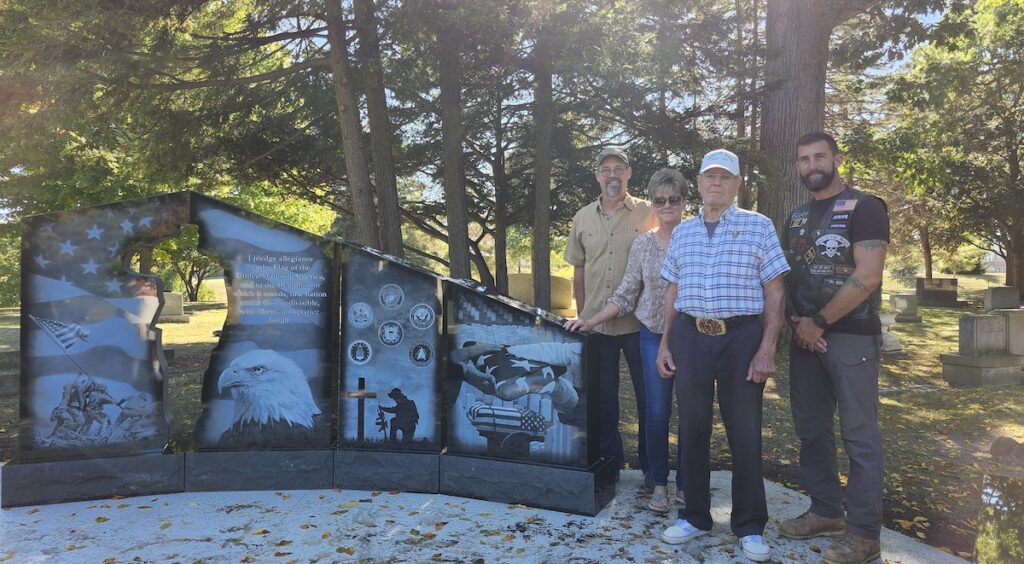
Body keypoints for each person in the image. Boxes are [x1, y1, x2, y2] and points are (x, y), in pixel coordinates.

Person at [655, 149, 788, 563]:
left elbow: (775, 291)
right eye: (709, 176)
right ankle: (693, 515)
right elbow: (673, 291)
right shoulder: (684, 232)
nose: (716, 183)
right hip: (690, 337)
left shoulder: (758, 226)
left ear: (736, 185)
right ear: (697, 183)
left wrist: (767, 348)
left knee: (744, 431)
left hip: (741, 339)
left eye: (725, 177)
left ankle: (749, 525)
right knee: (692, 426)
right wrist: (664, 342)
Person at [779, 131, 889, 564]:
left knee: (860, 436)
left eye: (819, 156)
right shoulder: (798, 216)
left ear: (837, 159)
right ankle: (826, 511)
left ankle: (864, 536)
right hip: (805, 337)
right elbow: (788, 275)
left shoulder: (865, 207)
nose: (812, 165)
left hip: (850, 337)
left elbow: (869, 275)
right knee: (812, 431)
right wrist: (797, 323)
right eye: (803, 159)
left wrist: (820, 322)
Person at [564, 168, 688, 513]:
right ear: (653, 203)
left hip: (691, 337)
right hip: (650, 332)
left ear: (683, 201)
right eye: (660, 200)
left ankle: (688, 483)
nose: (666, 205)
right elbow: (626, 291)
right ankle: (658, 482)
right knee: (655, 412)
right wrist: (588, 319)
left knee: (693, 415)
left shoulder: (696, 236)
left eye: (673, 199)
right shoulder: (644, 243)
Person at [564, 147, 658, 487]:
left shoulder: (650, 212)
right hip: (597, 325)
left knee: (650, 399)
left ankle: (652, 469)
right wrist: (583, 314)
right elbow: (578, 271)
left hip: (639, 325)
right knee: (603, 399)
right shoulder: (582, 217)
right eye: (606, 170)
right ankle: (609, 463)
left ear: (629, 173)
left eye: (619, 168)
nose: (612, 175)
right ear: (597, 175)